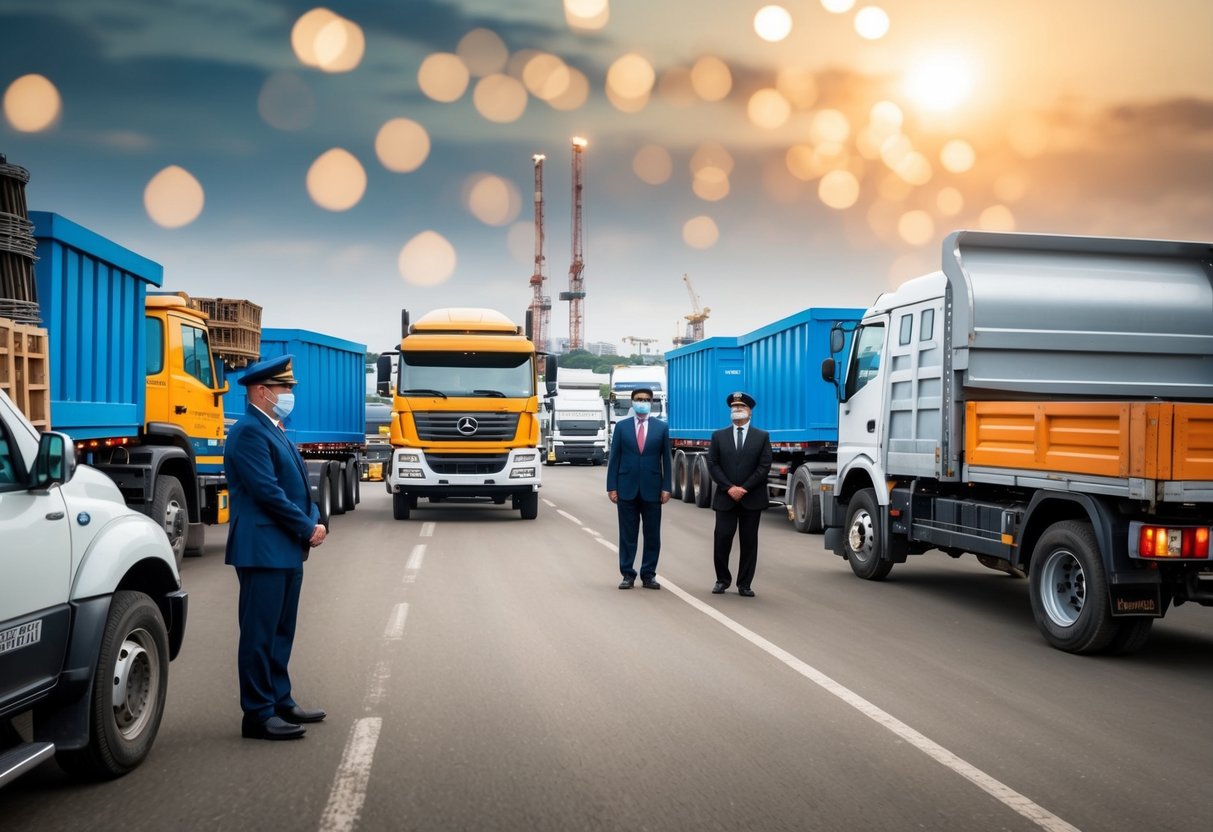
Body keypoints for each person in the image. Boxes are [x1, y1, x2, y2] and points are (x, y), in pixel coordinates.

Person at [224, 355, 328, 741]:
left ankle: (280, 699)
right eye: (285, 389)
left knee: (282, 630)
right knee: (259, 633)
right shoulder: (250, 432)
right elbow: (267, 492)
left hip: (284, 545)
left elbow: (299, 484)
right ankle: (258, 713)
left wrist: (315, 518)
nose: (289, 394)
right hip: (263, 546)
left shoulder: (275, 429)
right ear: (263, 392)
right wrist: (306, 527)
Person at [707, 391, 772, 597]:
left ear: (750, 411)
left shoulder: (762, 436)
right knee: (722, 539)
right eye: (734, 408)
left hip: (751, 497)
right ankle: (722, 580)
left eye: (741, 407)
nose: (737, 410)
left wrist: (744, 488)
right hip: (726, 497)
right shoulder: (718, 436)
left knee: (749, 541)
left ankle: (744, 584)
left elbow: (764, 466)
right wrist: (729, 488)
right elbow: (713, 464)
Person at [606, 387, 672, 589]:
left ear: (651, 402)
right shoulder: (622, 427)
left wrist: (667, 487)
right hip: (626, 488)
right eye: (638, 399)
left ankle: (648, 574)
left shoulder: (661, 428)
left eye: (645, 399)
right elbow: (614, 458)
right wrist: (611, 486)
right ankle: (627, 574)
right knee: (628, 535)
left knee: (652, 535)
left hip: (652, 489)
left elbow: (666, 461)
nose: (642, 402)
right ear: (632, 402)